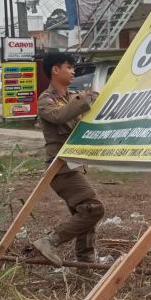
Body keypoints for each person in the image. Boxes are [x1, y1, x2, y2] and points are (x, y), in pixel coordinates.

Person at [33, 52, 105, 266]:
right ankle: (49, 241)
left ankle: (85, 264)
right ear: (55, 70)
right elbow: (60, 116)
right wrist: (85, 99)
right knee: (94, 208)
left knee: (84, 214)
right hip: (60, 168)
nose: (73, 71)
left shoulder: (71, 97)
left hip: (74, 164)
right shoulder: (47, 100)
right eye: (69, 67)